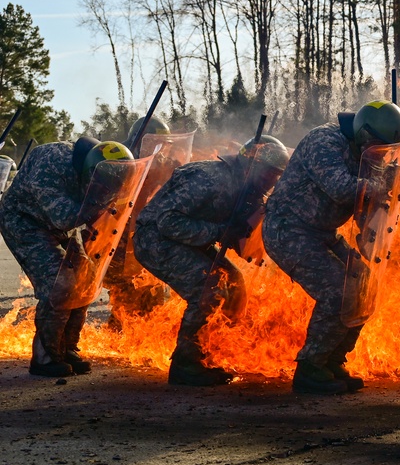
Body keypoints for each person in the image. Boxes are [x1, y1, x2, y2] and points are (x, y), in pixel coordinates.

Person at [262, 100, 400, 395]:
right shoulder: (324, 141)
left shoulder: (369, 155)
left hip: (321, 232)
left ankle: (332, 361)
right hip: (289, 229)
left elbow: (365, 207)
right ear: (365, 135)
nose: (383, 155)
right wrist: (379, 186)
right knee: (336, 291)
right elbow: (341, 187)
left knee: (364, 286)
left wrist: (385, 197)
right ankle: (311, 368)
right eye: (380, 147)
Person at [133, 135, 289, 386]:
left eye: (277, 175)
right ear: (250, 165)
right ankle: (186, 363)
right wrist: (220, 231)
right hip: (155, 240)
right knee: (209, 287)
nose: (272, 180)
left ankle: (212, 354)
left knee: (235, 283)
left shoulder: (250, 193)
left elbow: (242, 244)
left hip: (189, 241)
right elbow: (167, 221)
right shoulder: (209, 178)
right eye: (269, 173)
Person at [0, 137, 134, 377]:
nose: (108, 189)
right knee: (59, 283)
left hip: (58, 225)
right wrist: (98, 205)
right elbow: (63, 217)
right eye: (104, 184)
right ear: (90, 172)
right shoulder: (49, 165)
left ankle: (67, 348)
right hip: (23, 220)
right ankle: (45, 357)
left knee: (84, 279)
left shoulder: (98, 168)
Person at [104, 116, 178, 329]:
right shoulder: (122, 160)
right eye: (157, 143)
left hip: (149, 232)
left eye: (164, 144)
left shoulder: (165, 164)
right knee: (123, 288)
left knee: (151, 287)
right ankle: (117, 331)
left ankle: (144, 331)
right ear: (142, 140)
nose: (161, 149)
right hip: (120, 234)